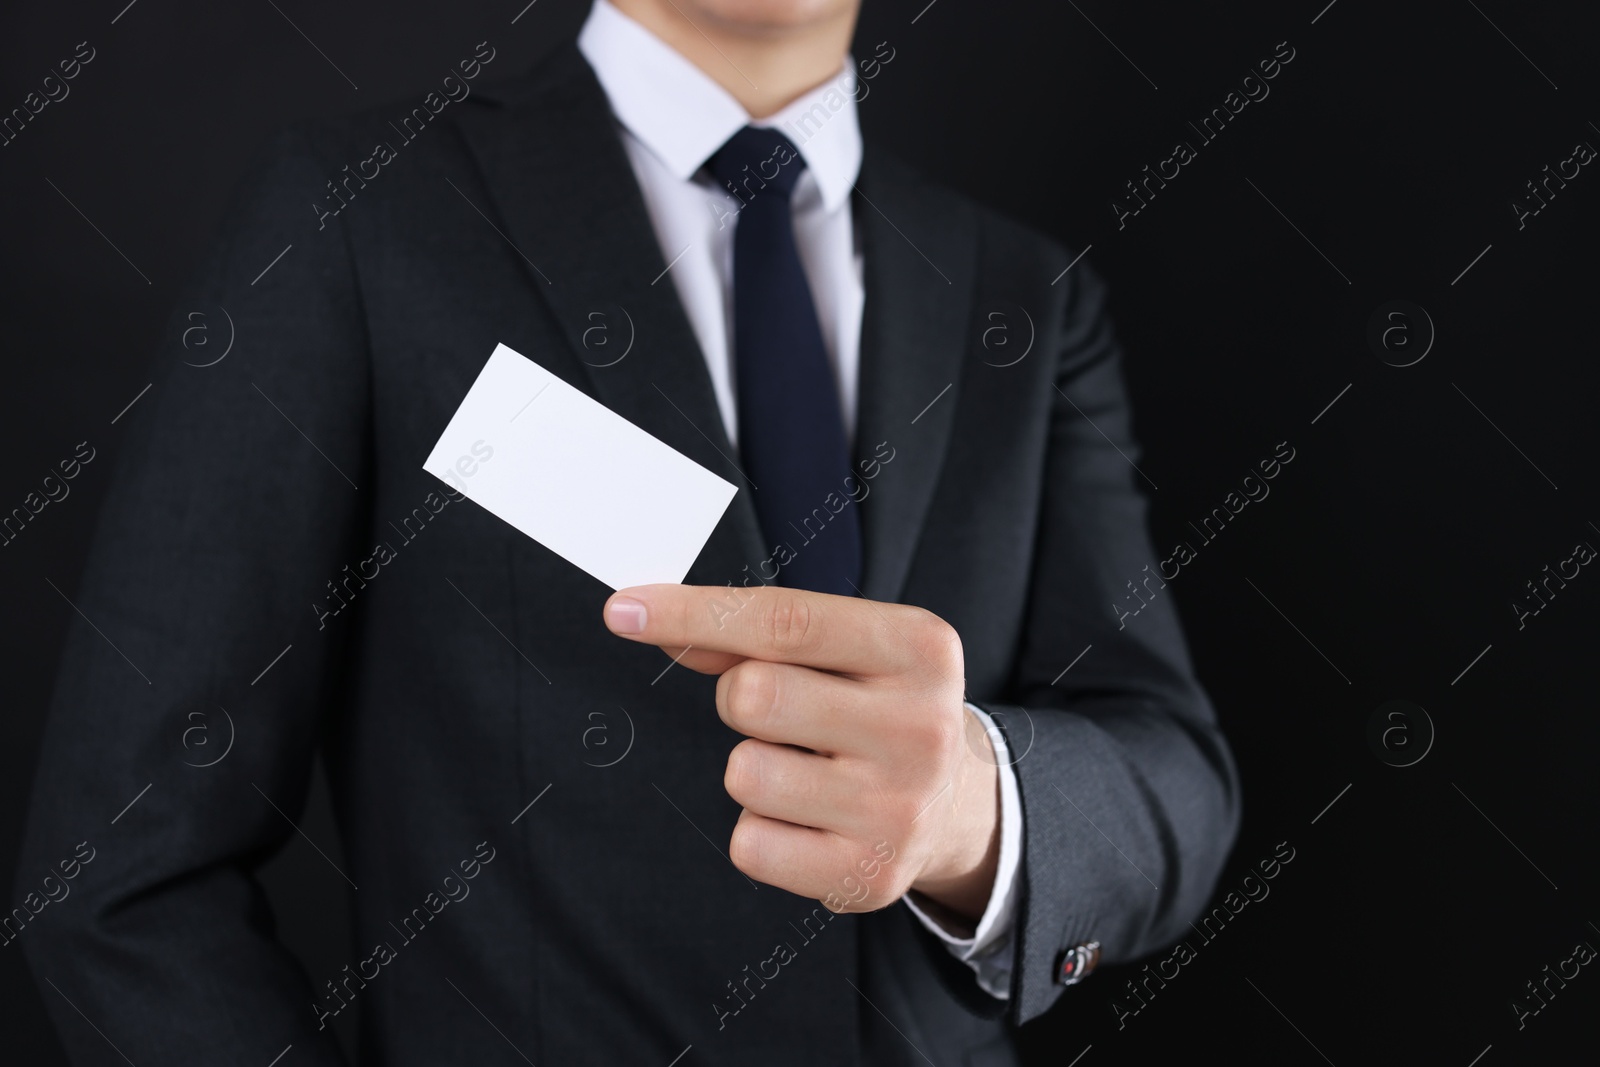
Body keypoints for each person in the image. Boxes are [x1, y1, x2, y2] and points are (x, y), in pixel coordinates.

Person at [16, 0, 1238, 1062]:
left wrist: (975, 801)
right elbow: (120, 875)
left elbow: (1170, 772)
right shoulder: (364, 215)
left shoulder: (1020, 294)